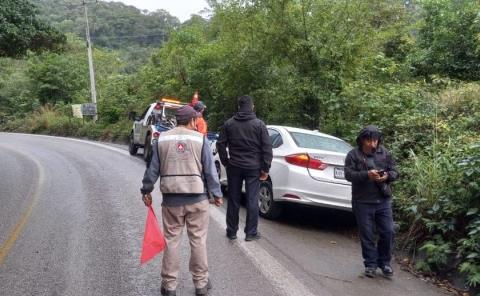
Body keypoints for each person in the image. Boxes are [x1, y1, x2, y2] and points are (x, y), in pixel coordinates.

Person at [140, 105, 223, 296]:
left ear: (177, 121)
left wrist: (146, 190)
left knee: (171, 241)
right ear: (193, 121)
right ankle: (201, 284)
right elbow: (210, 171)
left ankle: (169, 286)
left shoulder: (162, 139)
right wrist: (216, 194)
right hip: (197, 199)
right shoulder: (200, 139)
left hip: (171, 201)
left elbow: (152, 169)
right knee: (198, 241)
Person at [344, 125, 399, 278]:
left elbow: (395, 172)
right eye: (369, 141)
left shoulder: (385, 153)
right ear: (362, 140)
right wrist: (366, 175)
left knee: (388, 232)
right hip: (362, 201)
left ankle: (385, 263)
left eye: (375, 140)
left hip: (383, 200)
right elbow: (348, 175)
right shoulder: (353, 155)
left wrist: (387, 176)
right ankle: (370, 265)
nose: (373, 144)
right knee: (367, 235)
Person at [216, 95, 273, 241]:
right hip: (253, 168)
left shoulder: (229, 124)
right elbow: (267, 148)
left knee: (233, 198)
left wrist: (226, 161)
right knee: (252, 199)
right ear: (252, 107)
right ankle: (251, 232)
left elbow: (220, 144)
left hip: (234, 166)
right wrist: (265, 168)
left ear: (238, 107)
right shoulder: (259, 125)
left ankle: (231, 231)